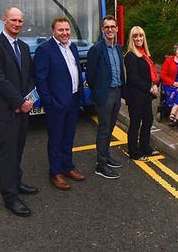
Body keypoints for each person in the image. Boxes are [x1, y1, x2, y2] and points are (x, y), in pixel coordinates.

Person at [0, 6, 37, 217]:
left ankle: (17, 182)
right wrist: (18, 102)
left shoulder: (23, 46)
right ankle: (10, 198)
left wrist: (28, 100)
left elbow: (29, 76)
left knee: (19, 149)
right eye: (13, 20)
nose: (17, 24)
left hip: (22, 109)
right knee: (7, 153)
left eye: (20, 21)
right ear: (4, 20)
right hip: (3, 111)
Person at [34, 17, 86, 191]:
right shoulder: (44, 50)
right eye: (60, 30)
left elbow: (76, 70)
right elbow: (40, 79)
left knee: (69, 135)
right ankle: (55, 173)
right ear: (53, 31)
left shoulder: (72, 46)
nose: (65, 33)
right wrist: (49, 102)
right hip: (56, 103)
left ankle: (68, 167)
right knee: (56, 138)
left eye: (67, 29)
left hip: (72, 100)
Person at [86, 15, 125, 180]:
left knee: (110, 127)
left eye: (112, 27)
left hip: (117, 92)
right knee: (103, 129)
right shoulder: (96, 49)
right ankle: (100, 165)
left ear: (116, 29)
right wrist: (98, 94)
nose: (110, 29)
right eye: (106, 27)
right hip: (104, 94)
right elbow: (90, 75)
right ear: (102, 30)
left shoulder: (118, 47)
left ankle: (106, 155)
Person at [124, 26, 160, 161]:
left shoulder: (145, 54)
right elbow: (133, 78)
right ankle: (134, 151)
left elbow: (152, 74)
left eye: (141, 36)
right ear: (131, 39)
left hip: (145, 95)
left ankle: (145, 147)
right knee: (135, 123)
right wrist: (150, 88)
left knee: (148, 120)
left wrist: (155, 84)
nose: (138, 38)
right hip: (135, 96)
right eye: (135, 36)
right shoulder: (130, 56)